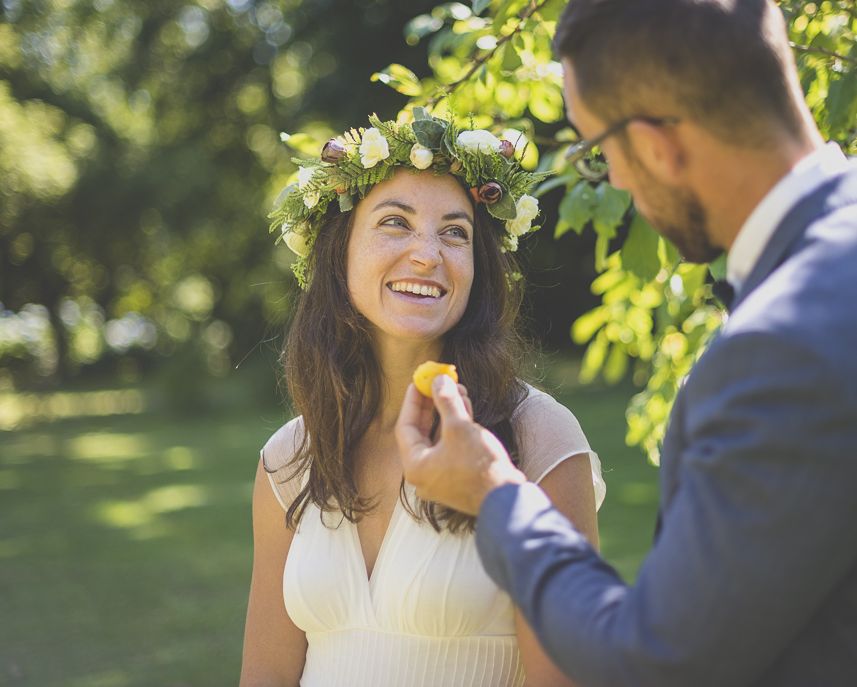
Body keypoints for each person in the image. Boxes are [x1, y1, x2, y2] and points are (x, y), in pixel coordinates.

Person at [395, 0, 857, 687]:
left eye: (601, 150)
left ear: (656, 144)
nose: (619, 182)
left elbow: (650, 657)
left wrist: (494, 492)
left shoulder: (788, 346)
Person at [239, 111, 605, 687]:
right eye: (395, 223)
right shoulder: (289, 459)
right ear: (339, 253)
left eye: (455, 232)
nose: (427, 254)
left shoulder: (538, 438)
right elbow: (264, 675)